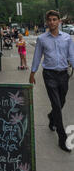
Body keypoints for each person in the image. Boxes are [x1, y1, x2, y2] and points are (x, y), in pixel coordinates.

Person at [30, 10, 74, 153]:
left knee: (61, 102)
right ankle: (62, 139)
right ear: (47, 22)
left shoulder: (67, 38)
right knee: (56, 105)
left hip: (63, 74)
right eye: (50, 20)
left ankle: (51, 116)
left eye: (55, 19)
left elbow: (71, 56)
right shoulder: (42, 39)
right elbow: (37, 56)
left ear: (59, 21)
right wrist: (32, 73)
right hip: (49, 75)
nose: (52, 22)